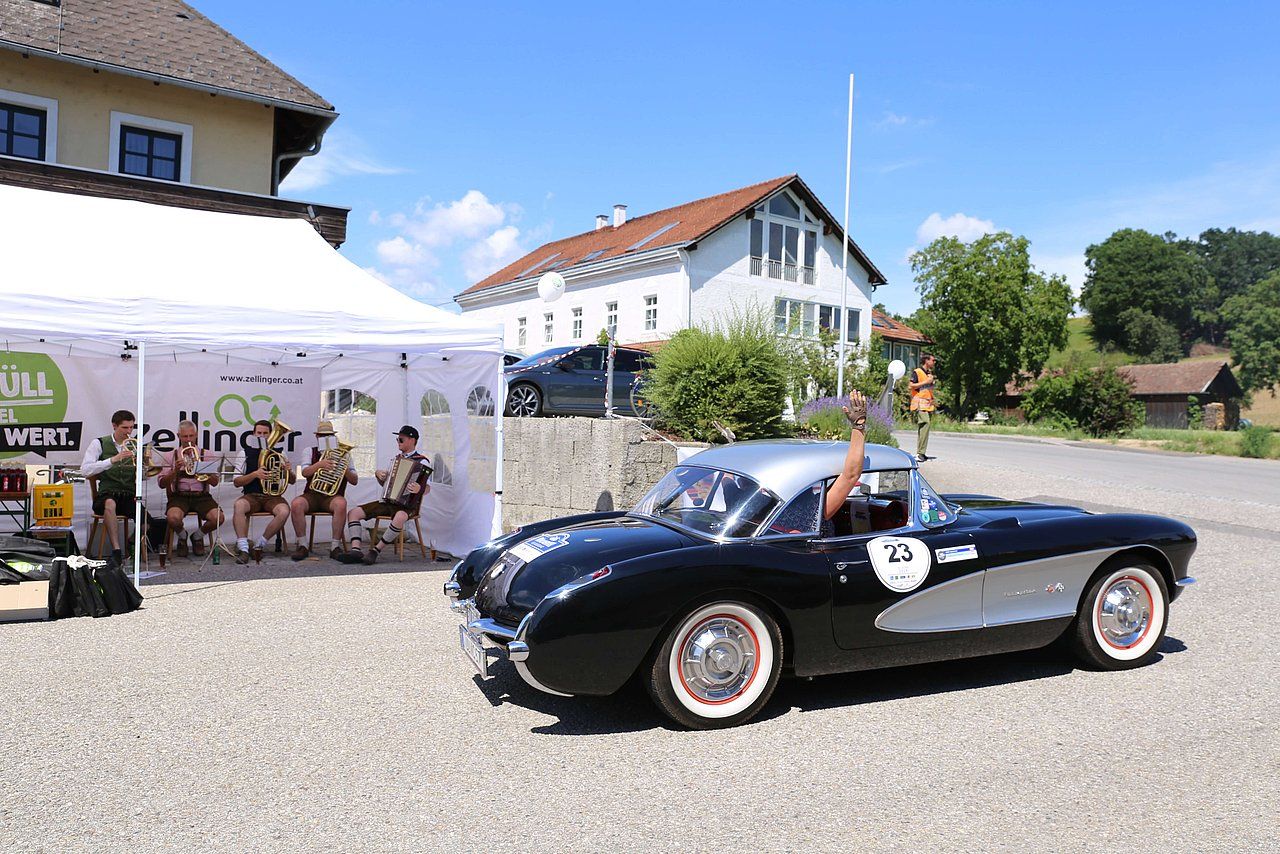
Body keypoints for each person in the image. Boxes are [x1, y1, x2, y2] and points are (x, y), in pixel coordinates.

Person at [341, 425, 430, 566]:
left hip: (408, 505)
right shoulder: (395, 460)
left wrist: (420, 488)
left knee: (400, 517)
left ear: (412, 440)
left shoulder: (422, 461)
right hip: (388, 501)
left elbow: (427, 489)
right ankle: (356, 550)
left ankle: (375, 551)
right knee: (354, 513)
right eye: (397, 439)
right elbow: (387, 486)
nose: (398, 441)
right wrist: (379, 476)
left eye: (401, 439)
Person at [79, 408, 144, 568]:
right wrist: (112, 460)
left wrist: (145, 468)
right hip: (106, 494)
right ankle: (116, 550)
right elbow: (85, 470)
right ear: (114, 426)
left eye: (131, 427)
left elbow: (142, 475)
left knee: (147, 521)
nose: (129, 432)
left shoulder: (135, 445)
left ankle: (130, 542)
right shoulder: (99, 443)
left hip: (128, 494)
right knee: (110, 504)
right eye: (125, 428)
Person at [289, 420, 358, 561]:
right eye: (322, 436)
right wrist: (319, 465)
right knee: (296, 504)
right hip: (313, 494)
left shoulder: (344, 455)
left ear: (333, 437)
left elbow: (354, 480)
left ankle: (335, 546)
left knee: (341, 504)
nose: (325, 439)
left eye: (328, 436)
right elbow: (305, 472)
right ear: (317, 437)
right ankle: (302, 545)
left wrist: (344, 469)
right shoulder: (309, 451)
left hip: (332, 496)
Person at [230, 419, 295, 565]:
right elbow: (236, 481)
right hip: (252, 495)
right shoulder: (244, 453)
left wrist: (288, 471)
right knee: (239, 506)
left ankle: (260, 545)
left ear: (271, 434)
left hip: (273, 496)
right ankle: (244, 548)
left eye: (266, 433)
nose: (262, 436)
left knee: (284, 511)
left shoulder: (280, 453)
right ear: (253, 434)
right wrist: (254, 474)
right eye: (259, 433)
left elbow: (292, 481)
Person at [157, 420, 223, 558]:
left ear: (196, 435)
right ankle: (183, 536)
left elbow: (215, 482)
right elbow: (162, 483)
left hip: (202, 496)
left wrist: (201, 469)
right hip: (179, 496)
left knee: (218, 518)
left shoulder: (206, 454)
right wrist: (174, 470)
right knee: (173, 518)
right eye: (185, 437)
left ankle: (197, 537)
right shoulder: (170, 456)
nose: (188, 440)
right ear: (178, 436)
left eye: (191, 436)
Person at [909, 354, 937, 463]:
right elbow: (911, 385)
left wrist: (931, 383)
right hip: (919, 402)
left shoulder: (929, 374)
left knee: (924, 427)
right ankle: (920, 453)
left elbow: (928, 388)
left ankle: (921, 453)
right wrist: (926, 382)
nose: (934, 362)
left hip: (927, 403)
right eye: (933, 360)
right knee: (925, 423)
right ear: (926, 360)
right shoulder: (917, 372)